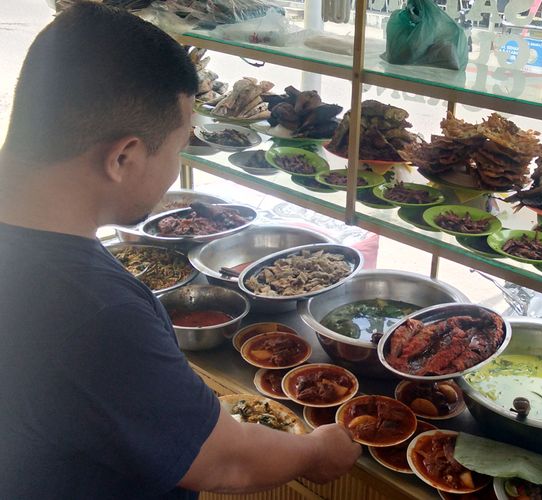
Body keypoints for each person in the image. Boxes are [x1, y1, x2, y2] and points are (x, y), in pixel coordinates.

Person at [0, 3, 361, 498]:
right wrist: (320, 451)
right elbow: (226, 462)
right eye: (177, 151)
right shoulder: (96, 309)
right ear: (123, 157)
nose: (176, 170)